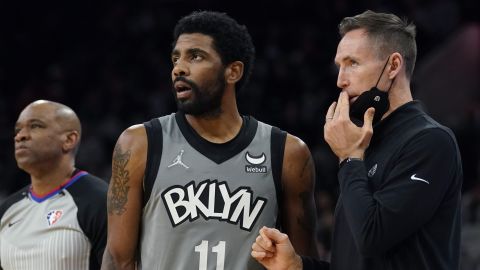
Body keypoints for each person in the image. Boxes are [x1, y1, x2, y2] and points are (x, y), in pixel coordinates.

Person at [101, 10, 318, 270]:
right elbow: (117, 260)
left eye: (195, 56)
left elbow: (303, 263)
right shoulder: (139, 143)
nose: (178, 68)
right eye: (175, 58)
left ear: (233, 71)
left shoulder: (287, 153)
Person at [251, 10, 463, 270]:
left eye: (352, 63)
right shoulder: (365, 144)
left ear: (393, 66)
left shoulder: (430, 141)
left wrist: (350, 158)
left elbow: (372, 237)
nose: (340, 80)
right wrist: (297, 265)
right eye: (339, 66)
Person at [0, 100, 108, 269]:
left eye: (35, 126)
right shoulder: (7, 209)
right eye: (17, 130)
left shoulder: (100, 201)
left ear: (69, 140)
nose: (20, 136)